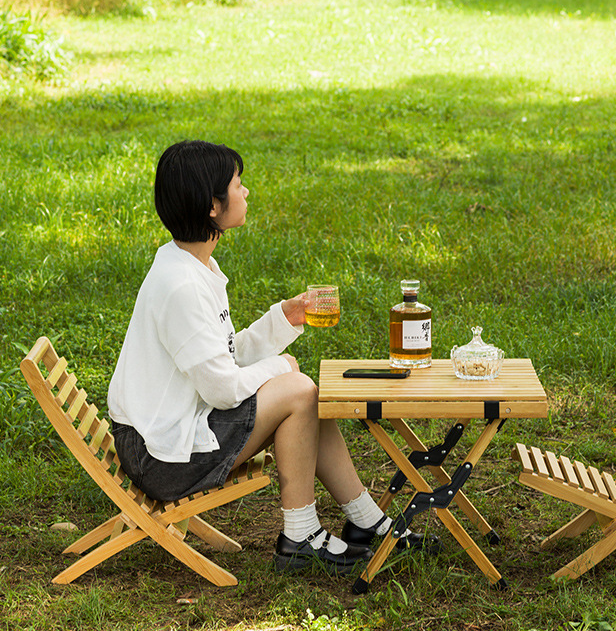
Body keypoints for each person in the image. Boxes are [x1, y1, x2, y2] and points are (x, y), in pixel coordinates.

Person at [108, 139, 426, 575]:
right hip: (161, 458)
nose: (245, 191)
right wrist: (281, 367)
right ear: (212, 207)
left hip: (171, 435)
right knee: (298, 391)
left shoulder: (190, 266)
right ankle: (301, 537)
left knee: (303, 393)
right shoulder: (181, 286)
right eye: (237, 184)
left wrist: (283, 319)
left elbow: (223, 357)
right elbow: (223, 389)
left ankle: (365, 521)